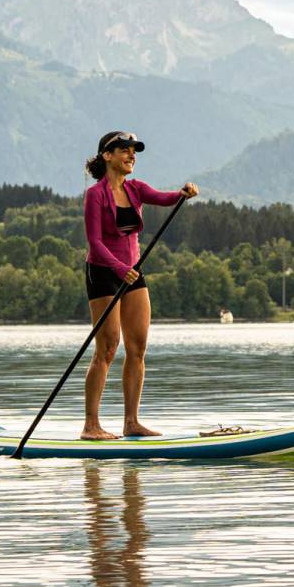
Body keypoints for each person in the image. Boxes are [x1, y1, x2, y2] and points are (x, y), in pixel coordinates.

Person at [80, 130, 198, 439]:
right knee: (106, 348)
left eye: (134, 151)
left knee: (138, 348)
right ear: (107, 156)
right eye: (124, 150)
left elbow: (164, 198)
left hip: (132, 272)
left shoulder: (136, 189)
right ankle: (91, 426)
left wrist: (183, 193)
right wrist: (119, 268)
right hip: (104, 271)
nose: (132, 155)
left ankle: (131, 422)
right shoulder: (95, 195)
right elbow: (94, 242)